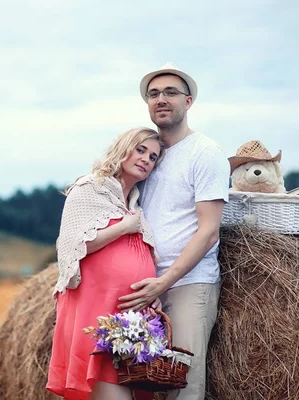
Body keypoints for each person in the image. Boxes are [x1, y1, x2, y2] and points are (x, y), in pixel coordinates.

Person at [118, 63, 230, 400]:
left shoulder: (205, 153)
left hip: (187, 285)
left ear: (189, 101)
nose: (161, 99)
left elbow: (209, 231)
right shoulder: (147, 155)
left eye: (170, 93)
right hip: (143, 284)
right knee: (140, 380)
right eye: (154, 94)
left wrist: (164, 283)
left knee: (184, 384)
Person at [47, 127, 165, 400]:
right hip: (94, 311)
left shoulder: (134, 205)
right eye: (141, 150)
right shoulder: (90, 188)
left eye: (154, 157)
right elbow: (71, 248)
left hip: (128, 318)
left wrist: (152, 295)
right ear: (124, 148)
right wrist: (123, 228)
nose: (147, 159)